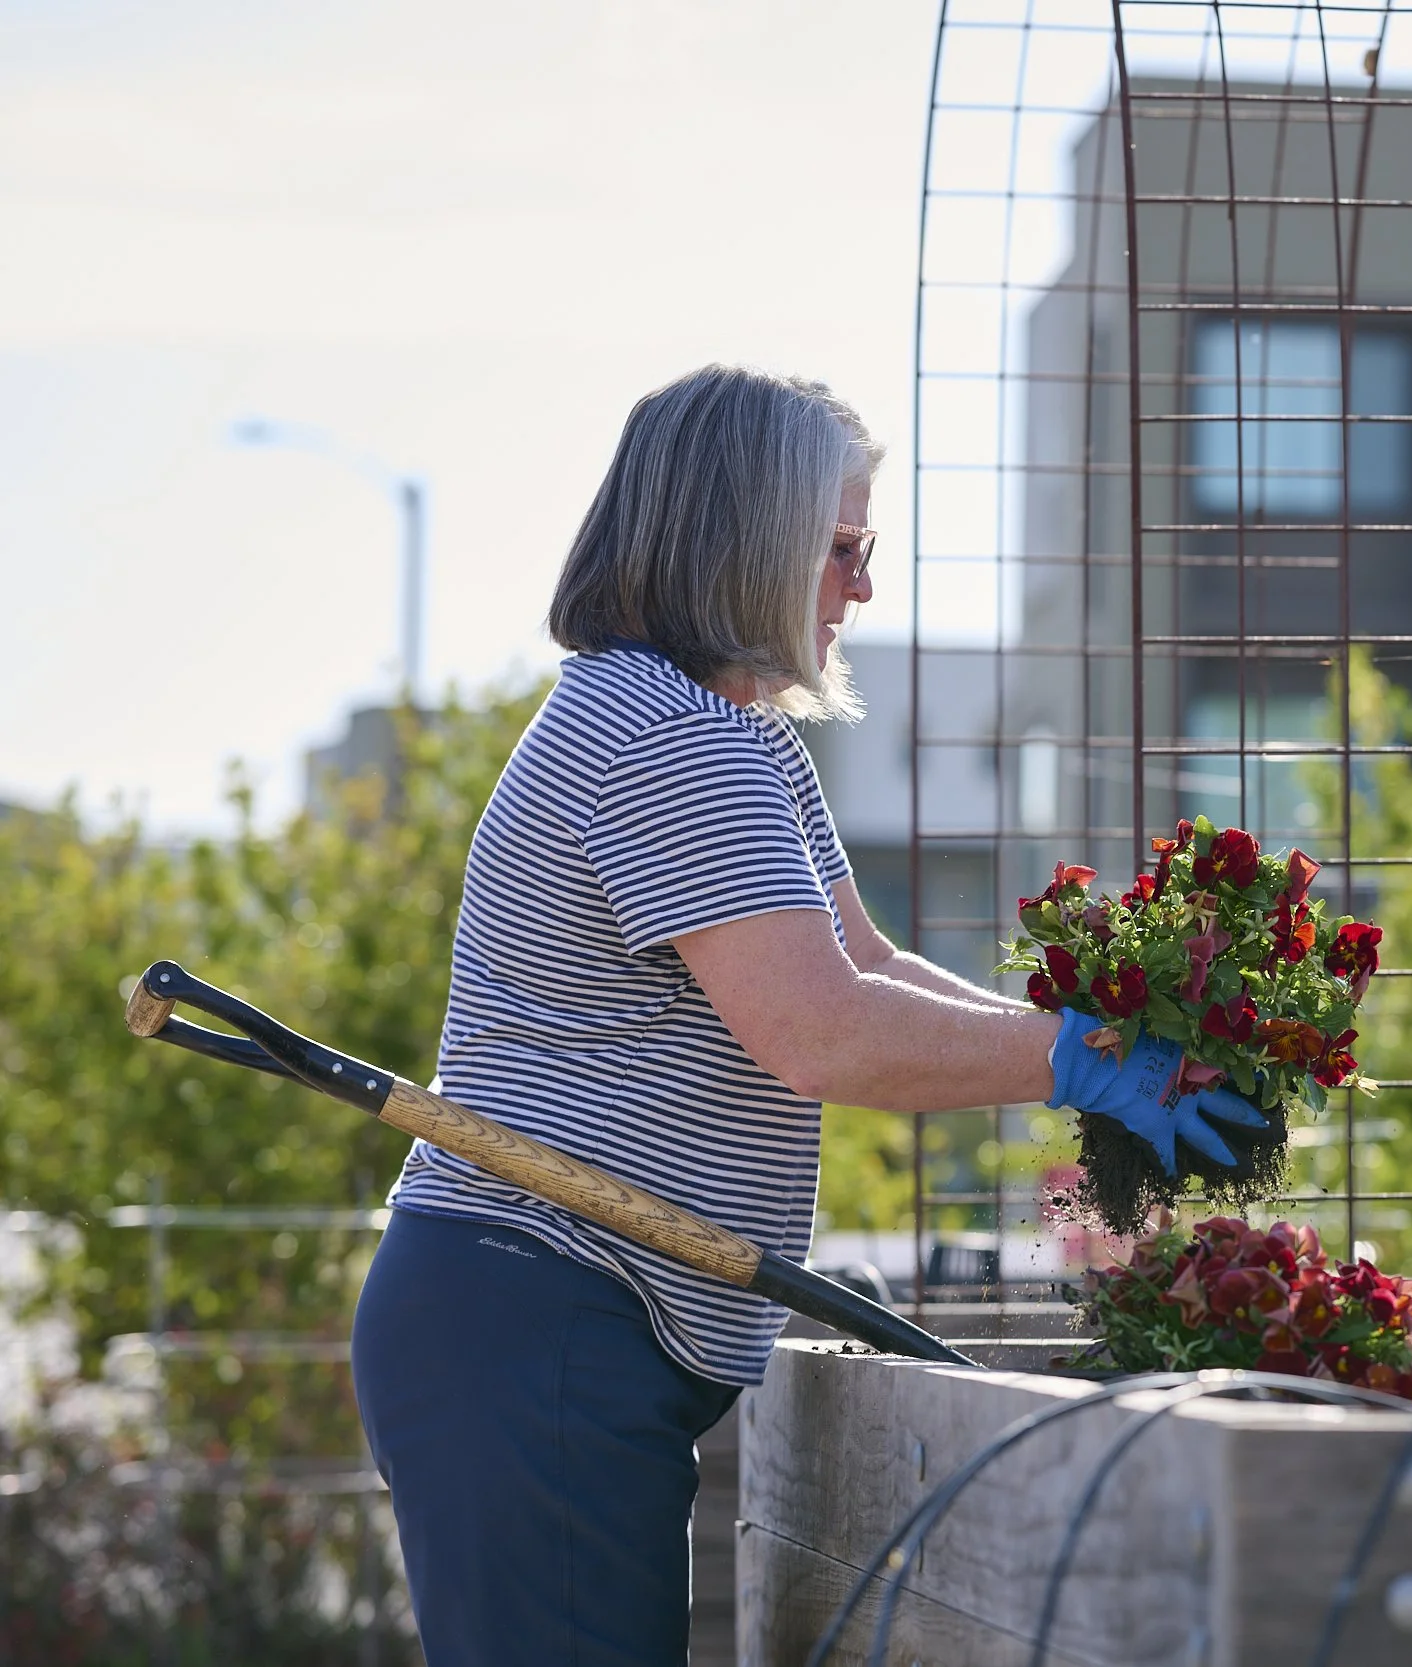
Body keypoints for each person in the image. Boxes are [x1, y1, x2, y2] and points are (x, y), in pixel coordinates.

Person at [349, 364, 1262, 1666]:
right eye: (841, 550)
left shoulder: (735, 736)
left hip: (551, 1316)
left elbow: (864, 961)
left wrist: (1097, 1047)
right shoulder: (669, 739)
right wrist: (1082, 1059)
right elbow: (825, 1031)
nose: (863, 588)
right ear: (748, 541)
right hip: (539, 1314)